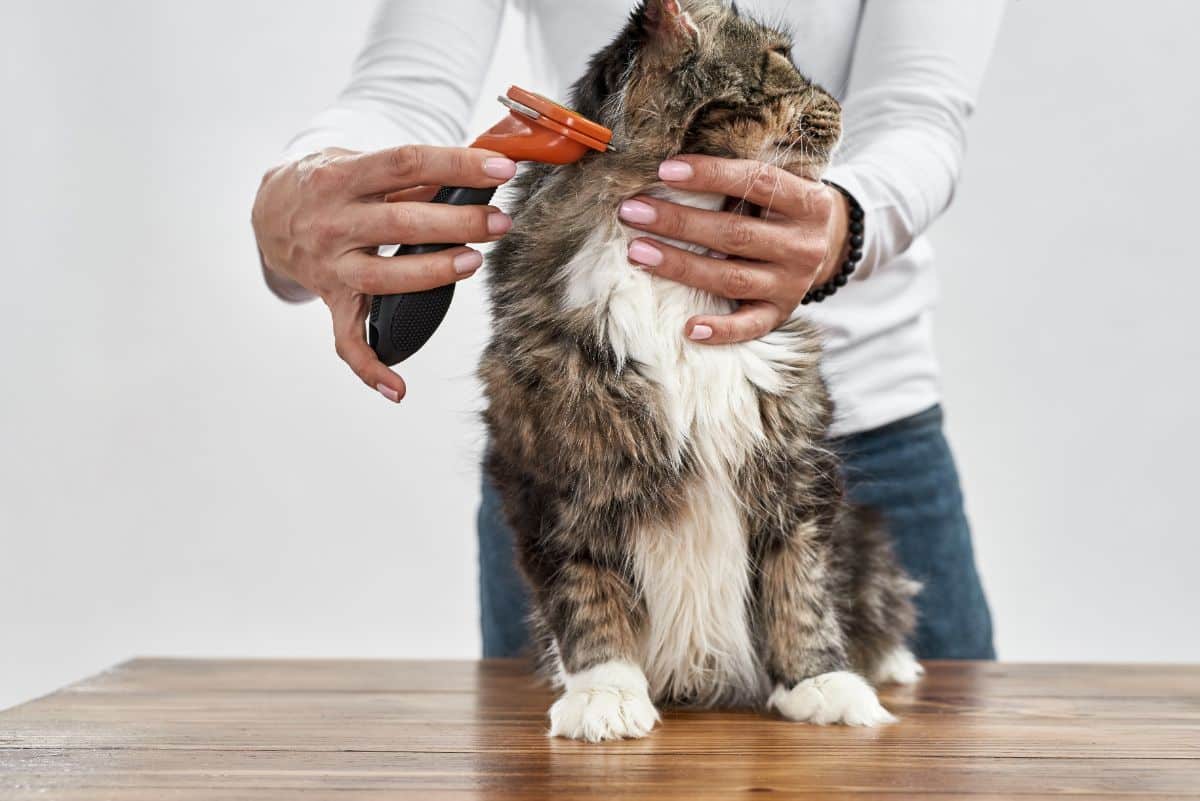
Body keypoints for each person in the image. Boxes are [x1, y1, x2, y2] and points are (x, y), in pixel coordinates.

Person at [251, 0, 1005, 660]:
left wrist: (842, 223)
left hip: (848, 447)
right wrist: (313, 182)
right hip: (576, 459)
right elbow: (402, 86)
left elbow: (918, 114)